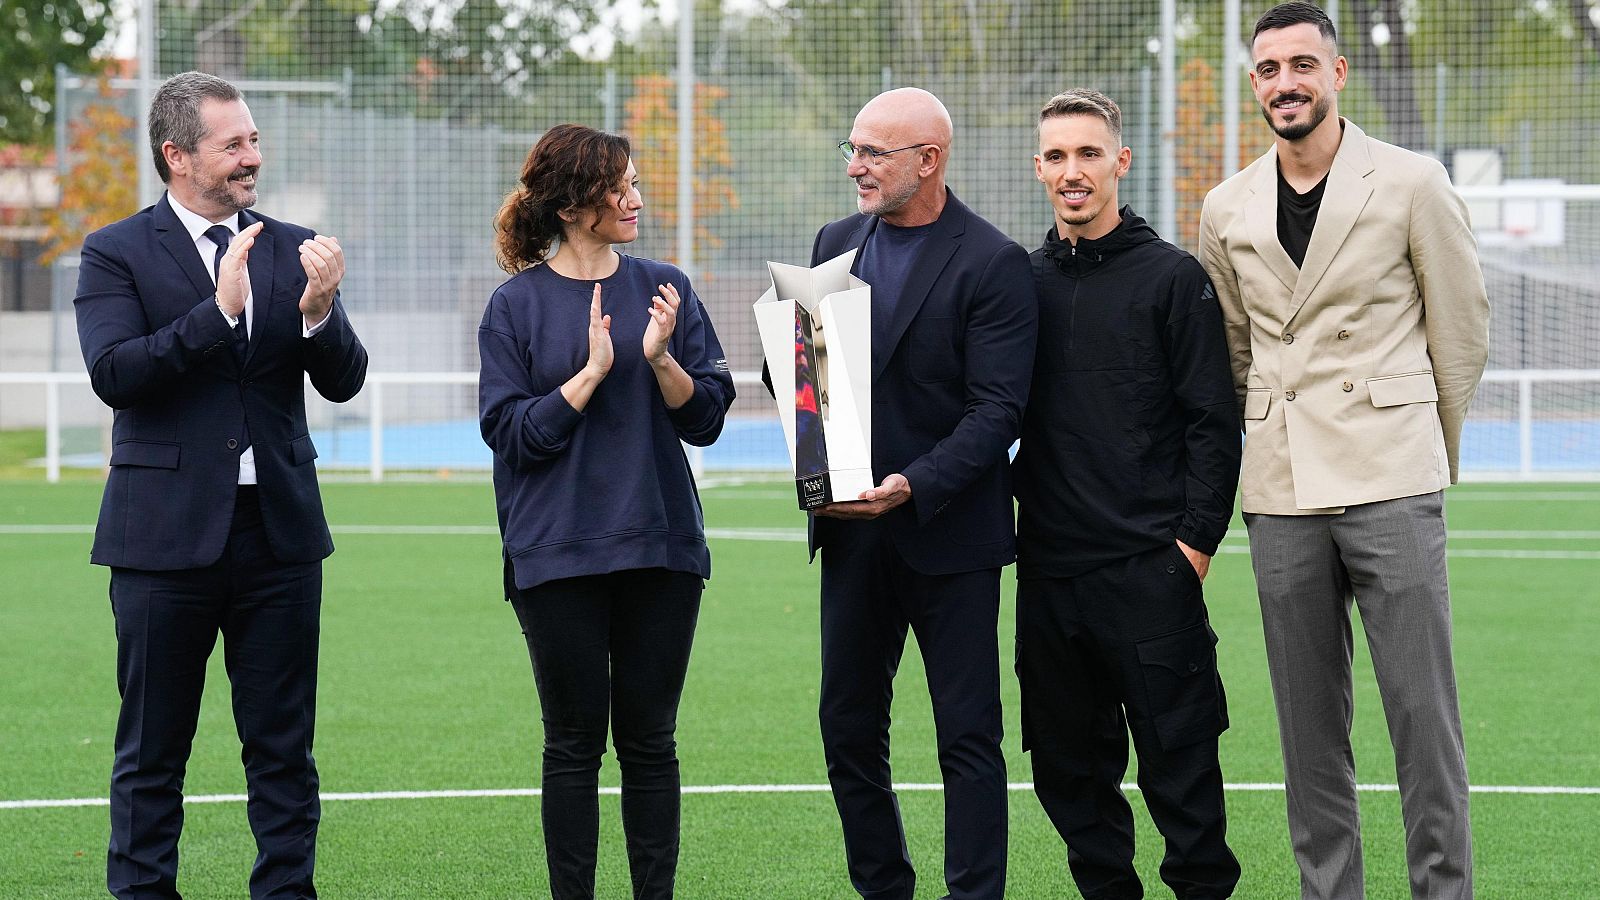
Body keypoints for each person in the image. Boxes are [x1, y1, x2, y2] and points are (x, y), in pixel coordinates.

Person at [1198, 4, 1490, 898]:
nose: (1285, 82)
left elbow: (1462, 330)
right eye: (1268, 69)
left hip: (1391, 479)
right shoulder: (1225, 205)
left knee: (1422, 717)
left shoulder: (1410, 181)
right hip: (1281, 488)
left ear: (1336, 74)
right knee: (1308, 731)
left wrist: (1418, 446)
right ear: (1255, 84)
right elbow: (1234, 350)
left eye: (1302, 65)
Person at [74, 71, 367, 899]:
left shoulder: (292, 242)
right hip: (162, 540)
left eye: (254, 140)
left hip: (277, 537)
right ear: (176, 155)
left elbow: (344, 382)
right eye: (232, 144)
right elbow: (114, 374)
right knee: (152, 750)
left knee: (282, 749)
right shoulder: (115, 251)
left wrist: (320, 310)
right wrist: (216, 313)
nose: (252, 158)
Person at [477, 123, 735, 900]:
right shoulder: (514, 306)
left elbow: (709, 418)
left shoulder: (667, 285)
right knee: (572, 745)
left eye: (634, 184)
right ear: (571, 205)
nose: (637, 200)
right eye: (619, 187)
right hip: (556, 557)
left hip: (662, 551)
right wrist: (588, 376)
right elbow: (511, 434)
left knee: (651, 742)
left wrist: (659, 360)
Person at [798, 87, 1038, 900]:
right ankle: (884, 889)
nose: (856, 167)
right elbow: (811, 378)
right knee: (847, 731)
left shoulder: (994, 261)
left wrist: (914, 482)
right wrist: (784, 352)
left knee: (968, 737)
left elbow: (998, 408)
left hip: (949, 535)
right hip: (852, 536)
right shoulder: (834, 243)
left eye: (874, 153)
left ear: (927, 161)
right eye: (853, 149)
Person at [1013, 88, 1242, 900]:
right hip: (1049, 579)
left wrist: (1192, 550)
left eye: (1087, 153)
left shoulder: (1174, 279)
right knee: (1071, 782)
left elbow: (1214, 423)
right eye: (1056, 156)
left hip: (1152, 573)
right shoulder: (1020, 283)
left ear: (1120, 160)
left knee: (1184, 780)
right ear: (1038, 167)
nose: (1072, 172)